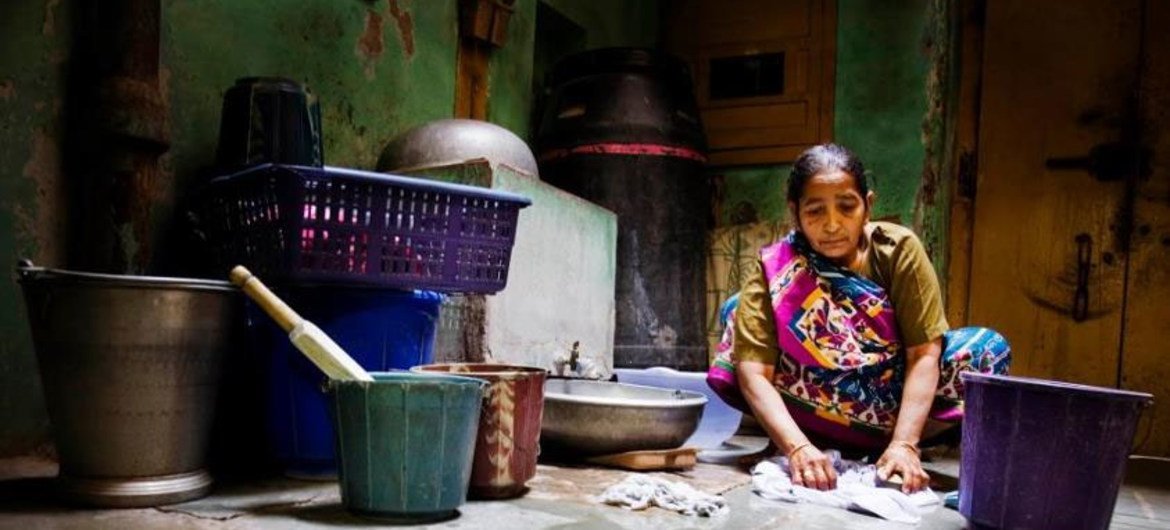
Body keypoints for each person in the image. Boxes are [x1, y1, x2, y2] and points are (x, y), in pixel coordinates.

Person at [707, 143, 1010, 494]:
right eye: (815, 210)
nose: (832, 224)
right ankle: (807, 439)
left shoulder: (898, 251)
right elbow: (755, 373)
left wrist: (905, 444)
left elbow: (924, 353)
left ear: (868, 206)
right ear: (795, 212)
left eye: (847, 207)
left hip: (888, 401)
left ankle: (888, 448)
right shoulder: (779, 267)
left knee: (987, 350)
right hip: (811, 403)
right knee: (738, 309)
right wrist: (797, 448)